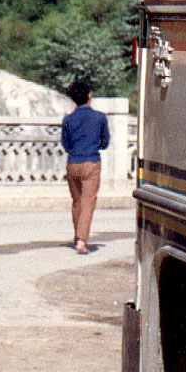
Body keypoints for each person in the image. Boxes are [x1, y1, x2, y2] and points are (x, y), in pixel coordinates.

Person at [61, 79, 111, 254]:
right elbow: (105, 142)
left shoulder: (68, 119)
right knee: (88, 202)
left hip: (73, 162)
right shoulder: (100, 117)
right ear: (89, 96)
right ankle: (81, 240)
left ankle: (78, 236)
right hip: (91, 162)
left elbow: (65, 144)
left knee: (77, 202)